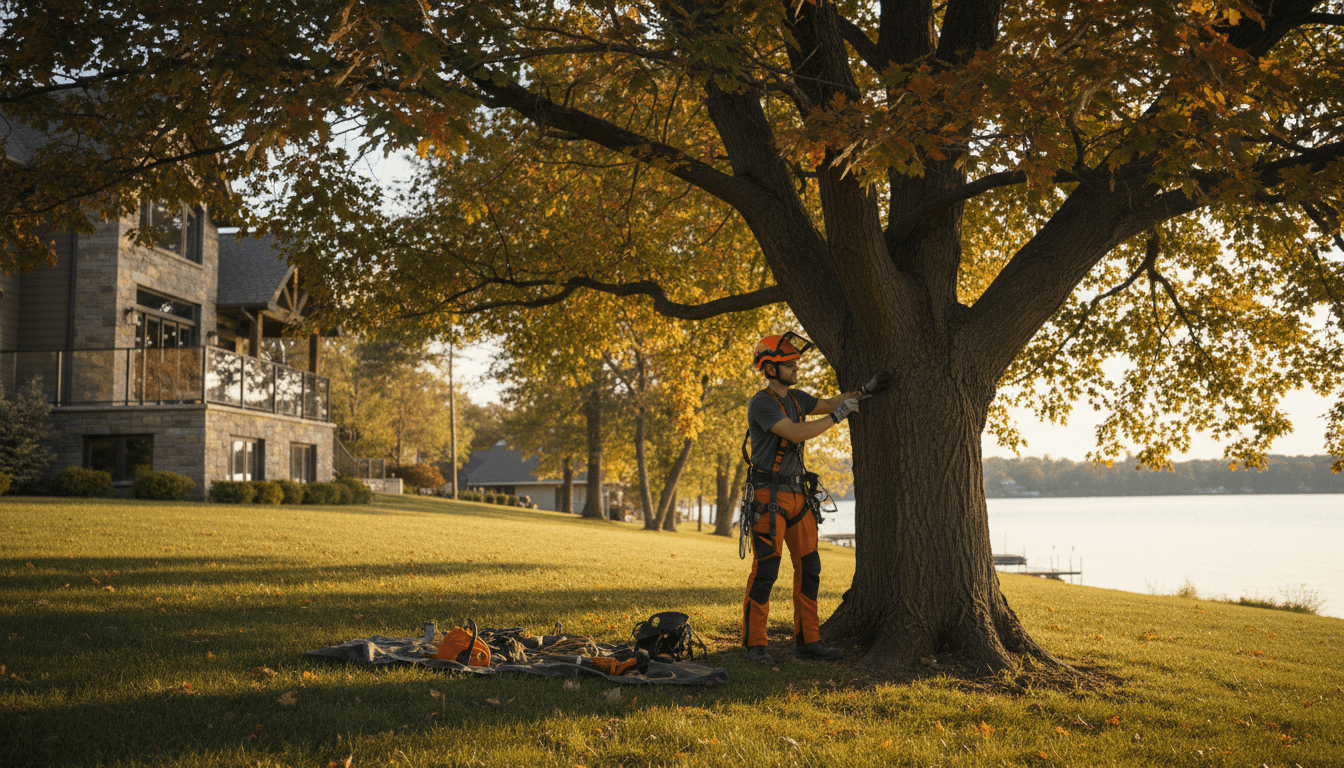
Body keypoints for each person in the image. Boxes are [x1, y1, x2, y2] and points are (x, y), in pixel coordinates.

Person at [741, 332, 889, 664]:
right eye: (789, 364)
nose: (796, 367)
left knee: (810, 568)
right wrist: (837, 418)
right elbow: (796, 432)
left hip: (797, 495)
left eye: (795, 362)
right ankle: (755, 645)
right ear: (770, 369)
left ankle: (808, 640)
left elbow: (829, 403)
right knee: (766, 569)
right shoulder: (762, 402)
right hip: (768, 496)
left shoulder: (798, 398)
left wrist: (863, 391)